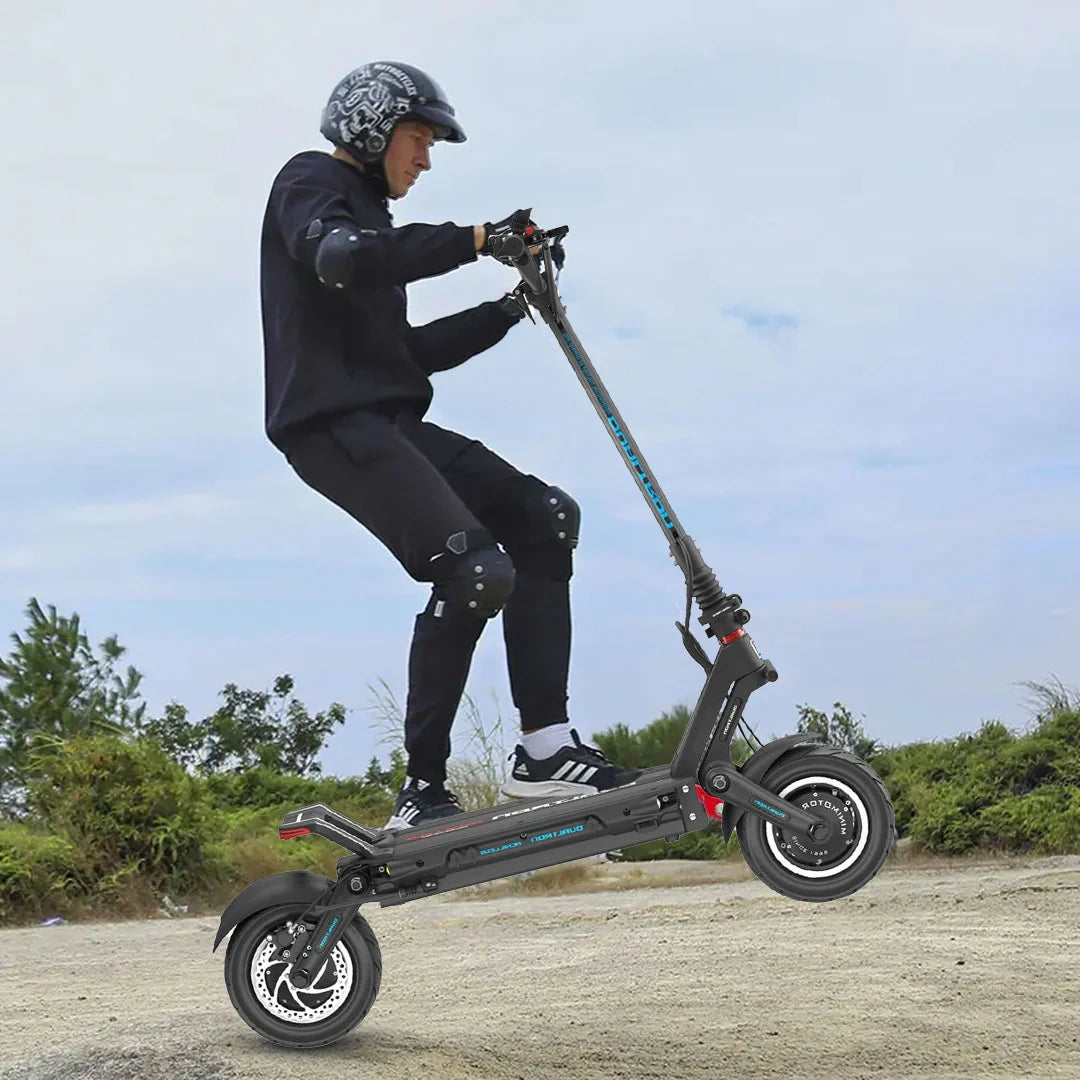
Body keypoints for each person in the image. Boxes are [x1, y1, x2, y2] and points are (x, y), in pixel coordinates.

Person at [260, 61, 641, 831]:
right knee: (475, 568)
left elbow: (407, 354)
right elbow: (343, 258)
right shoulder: (309, 185)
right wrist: (477, 239)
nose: (426, 159)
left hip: (393, 423)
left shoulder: (376, 223)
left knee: (544, 516)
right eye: (418, 139)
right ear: (372, 129)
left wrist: (509, 308)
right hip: (331, 431)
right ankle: (421, 794)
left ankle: (545, 748)